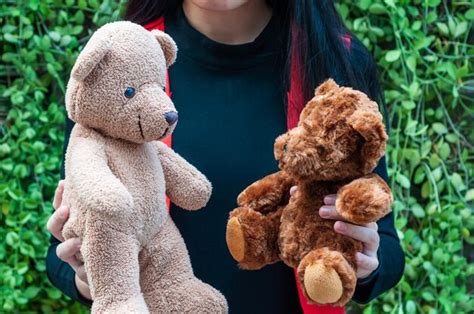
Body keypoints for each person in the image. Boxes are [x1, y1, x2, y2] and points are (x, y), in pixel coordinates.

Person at [46, 1, 405, 313]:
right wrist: (91, 278)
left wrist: (366, 262)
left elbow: (386, 249)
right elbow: (60, 255)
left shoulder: (335, 58)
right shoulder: (121, 62)